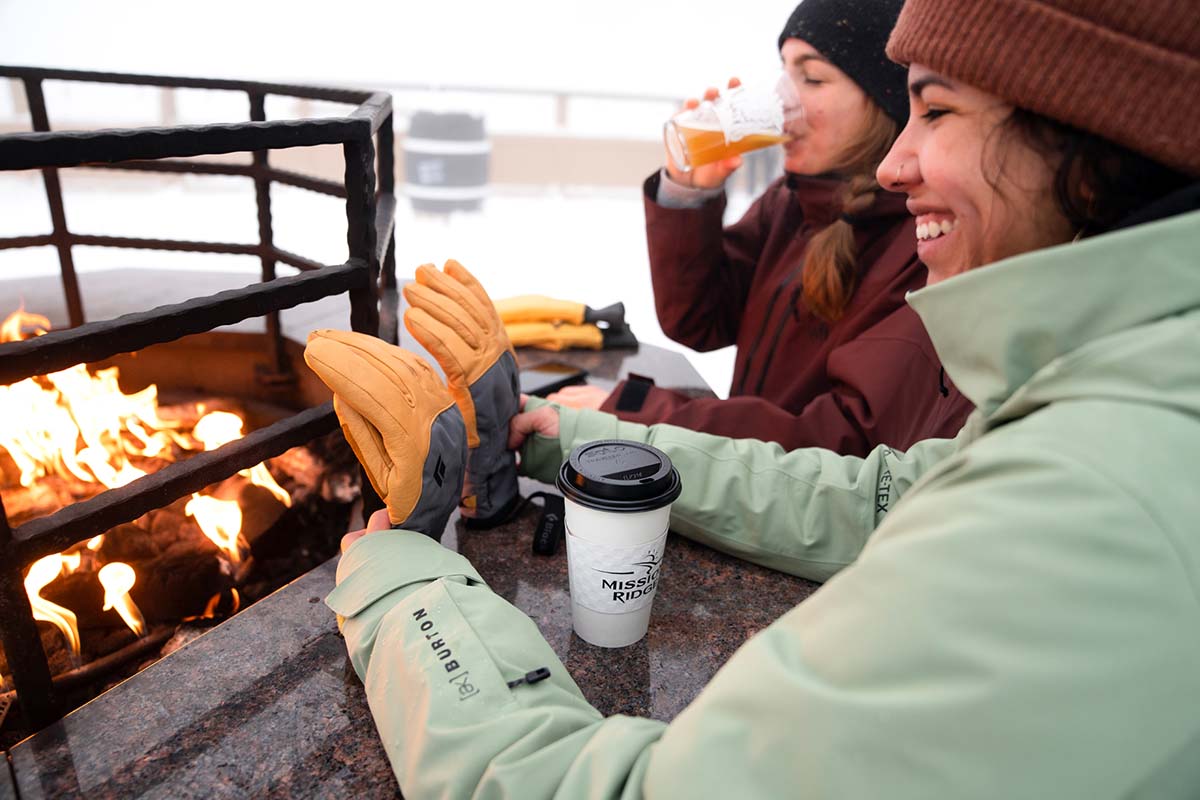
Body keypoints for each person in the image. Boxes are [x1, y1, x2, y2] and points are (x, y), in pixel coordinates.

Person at [322, 0, 1200, 795]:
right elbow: (872, 499)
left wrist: (407, 604)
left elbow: (846, 445)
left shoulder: (1087, 506)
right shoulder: (1115, 399)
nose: (900, 163)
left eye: (935, 106)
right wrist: (579, 437)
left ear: (1091, 138)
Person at [550, 0, 973, 457]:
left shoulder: (928, 240)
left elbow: (839, 441)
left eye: (810, 78)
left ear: (883, 100)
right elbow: (701, 319)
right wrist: (690, 196)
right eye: (784, 75)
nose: (782, 100)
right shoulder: (792, 200)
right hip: (745, 482)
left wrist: (636, 411)